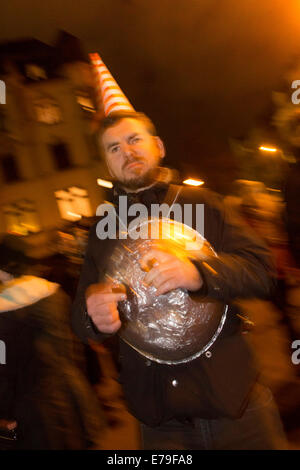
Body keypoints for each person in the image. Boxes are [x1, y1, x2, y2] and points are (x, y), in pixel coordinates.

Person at [72, 111, 288, 450]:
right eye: (113, 148)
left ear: (158, 146)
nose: (126, 152)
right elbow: (79, 316)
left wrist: (200, 272)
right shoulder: (102, 232)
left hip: (234, 400)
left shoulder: (203, 204)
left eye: (134, 139)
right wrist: (92, 317)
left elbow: (262, 270)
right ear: (106, 163)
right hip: (161, 421)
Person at [0, 237, 105, 449]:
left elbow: (5, 371)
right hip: (71, 392)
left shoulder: (6, 311)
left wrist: (5, 413)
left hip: (35, 410)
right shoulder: (54, 293)